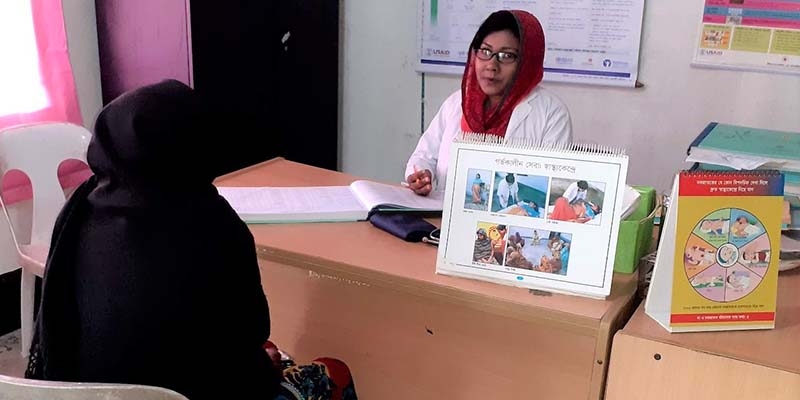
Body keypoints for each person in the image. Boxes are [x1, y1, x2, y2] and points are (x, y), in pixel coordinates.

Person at [25, 80, 357, 400]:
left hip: (83, 391)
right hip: (186, 390)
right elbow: (251, 330)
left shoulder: (80, 209)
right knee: (333, 371)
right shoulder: (209, 221)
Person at [405, 9, 572, 195]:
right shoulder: (457, 103)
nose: (491, 66)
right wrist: (422, 175)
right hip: (442, 217)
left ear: (527, 61)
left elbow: (550, 185)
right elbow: (424, 156)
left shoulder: (551, 114)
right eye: (485, 51)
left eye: (506, 56)